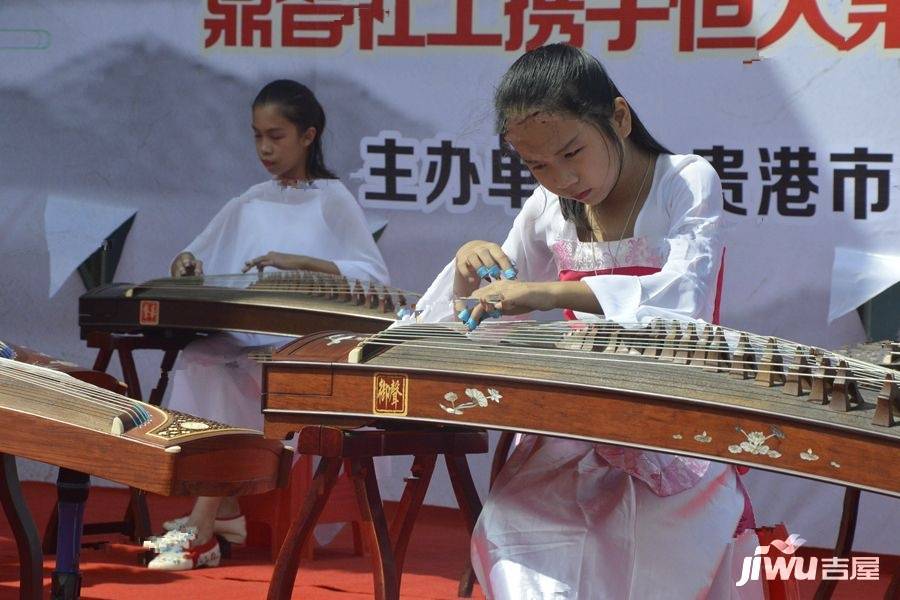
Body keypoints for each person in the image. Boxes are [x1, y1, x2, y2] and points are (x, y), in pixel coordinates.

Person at [411, 44, 761, 598]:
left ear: (618, 118)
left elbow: (682, 299)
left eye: (573, 152)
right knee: (514, 533)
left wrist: (551, 292)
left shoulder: (684, 179)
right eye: (537, 165)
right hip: (579, 427)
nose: (562, 178)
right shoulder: (548, 208)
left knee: (653, 550)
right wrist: (467, 273)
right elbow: (486, 317)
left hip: (675, 423)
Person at [146, 80, 389, 571]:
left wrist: (297, 262)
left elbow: (373, 278)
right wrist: (187, 262)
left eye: (276, 136)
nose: (264, 148)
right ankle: (223, 508)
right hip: (248, 341)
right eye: (257, 136)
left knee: (257, 374)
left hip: (306, 346)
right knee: (199, 360)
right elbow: (196, 253)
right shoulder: (250, 199)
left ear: (308, 136)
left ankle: (203, 526)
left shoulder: (332, 199)